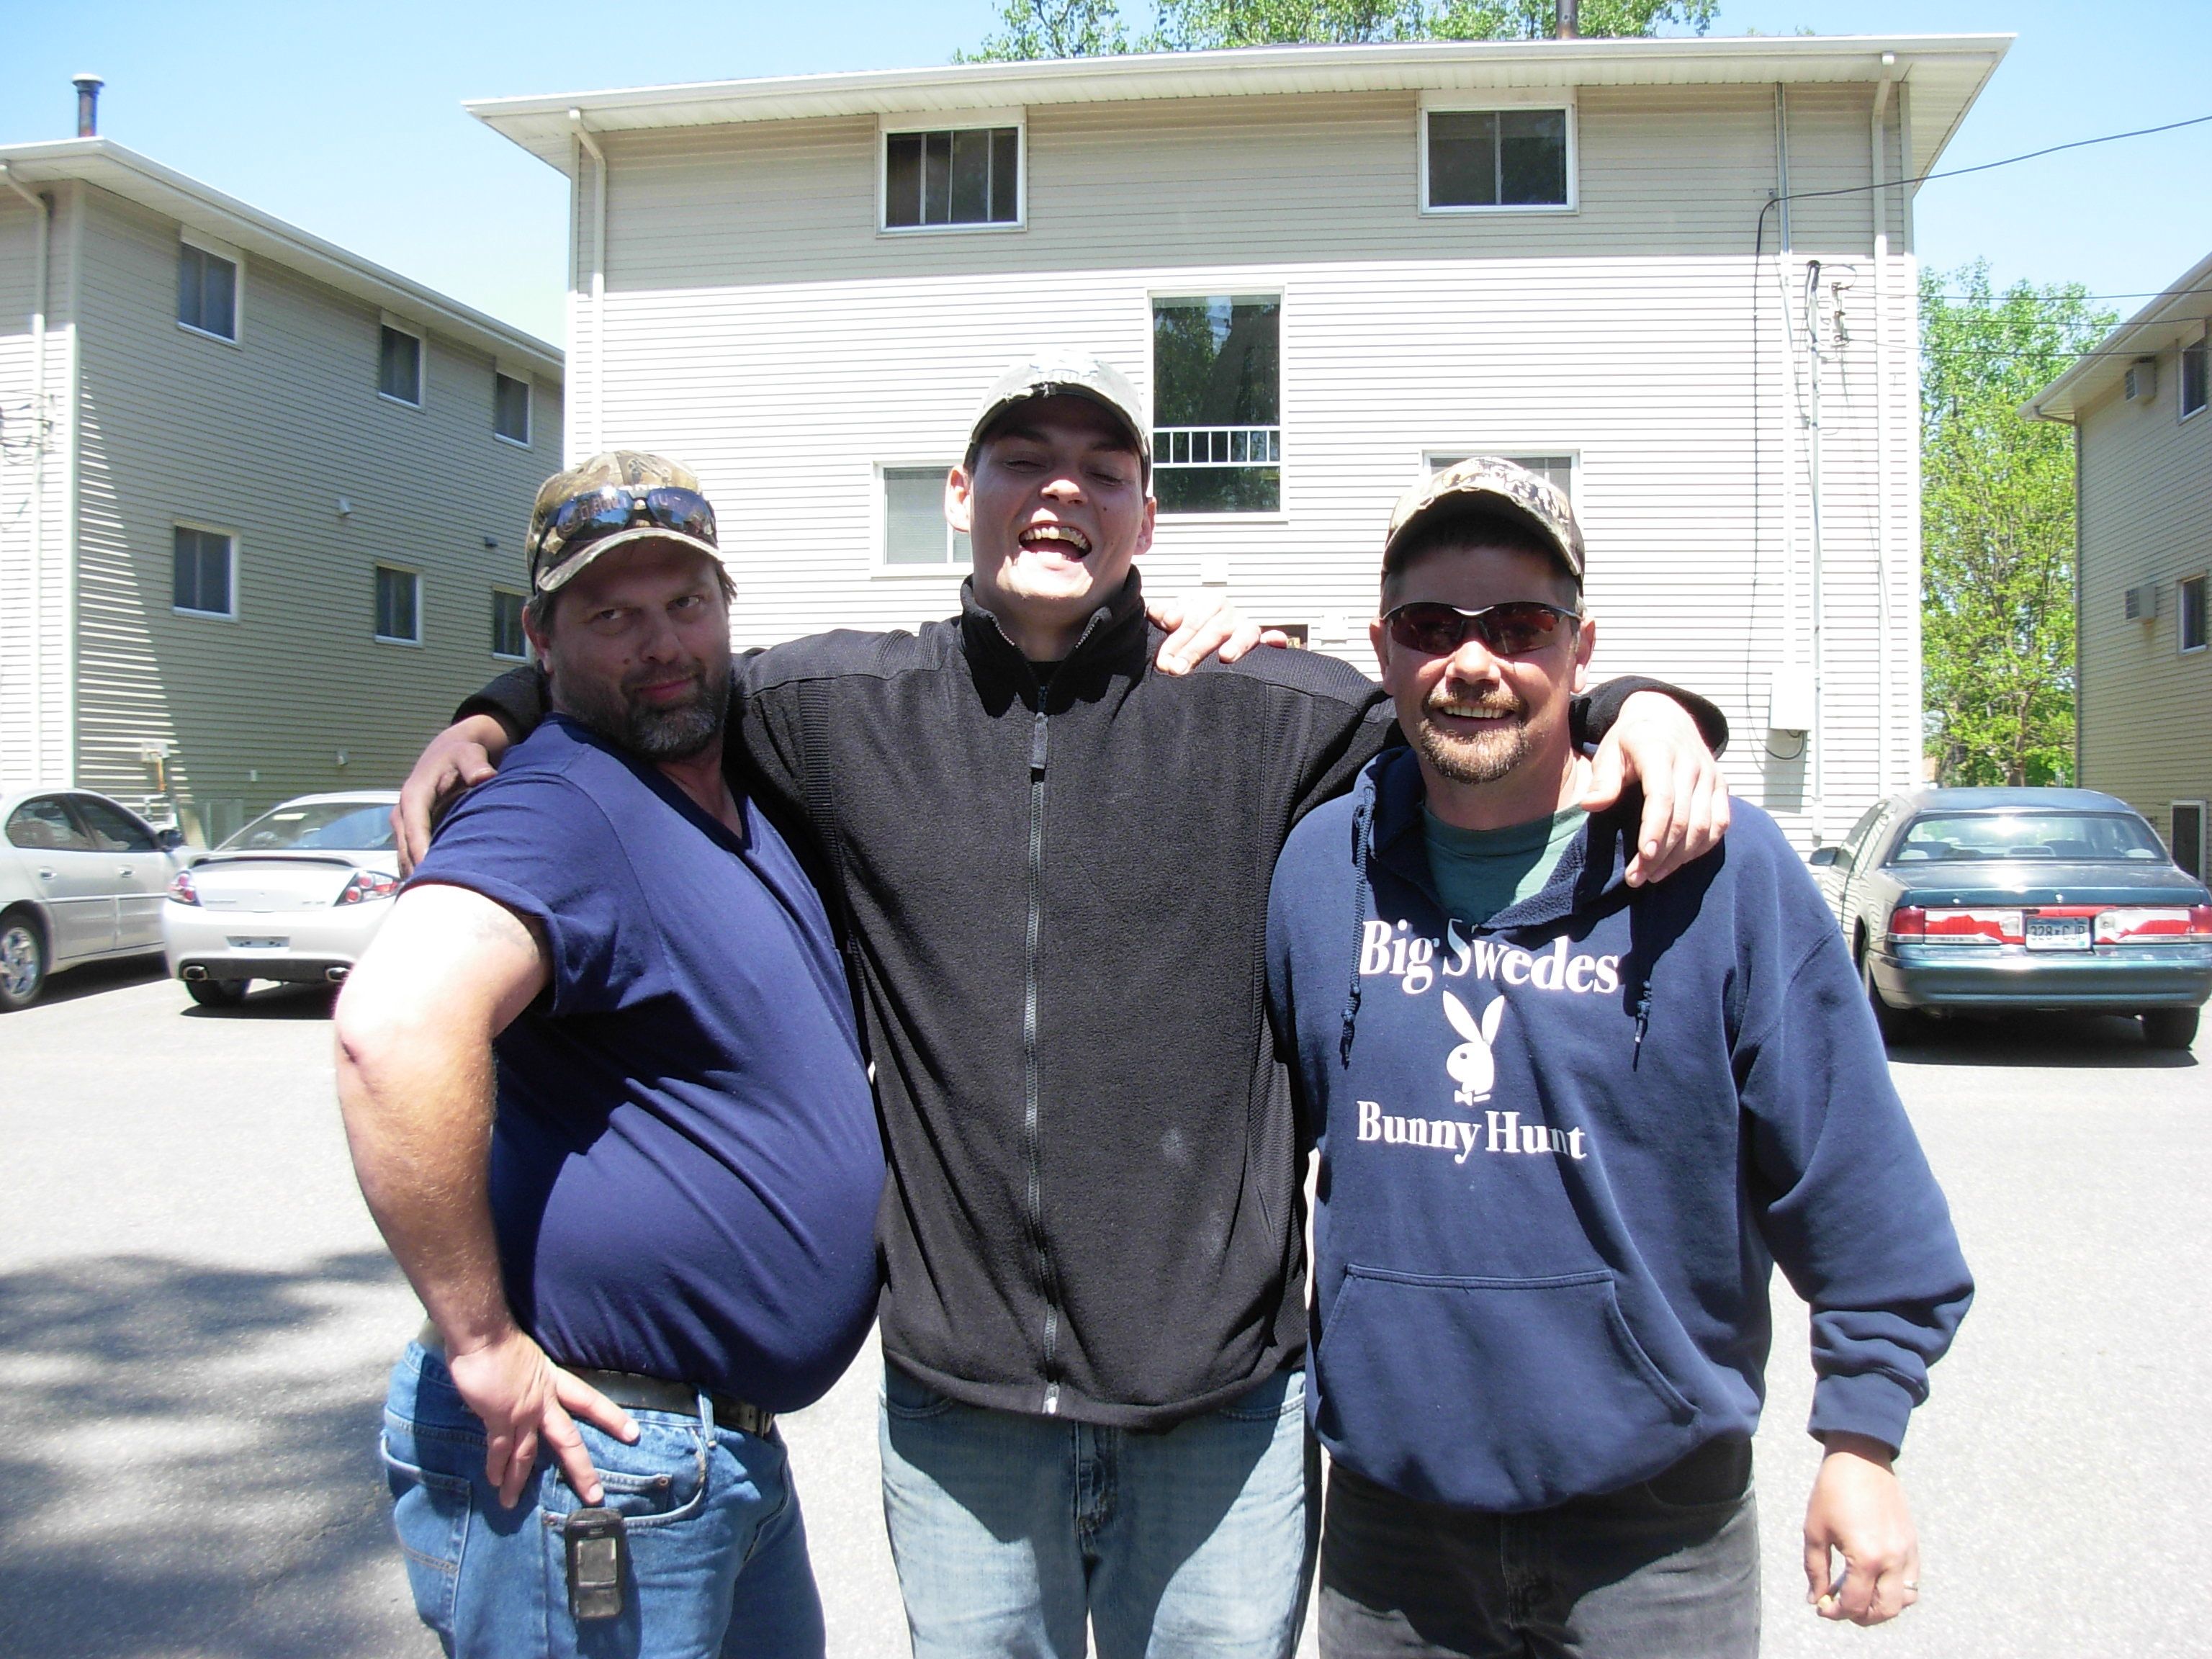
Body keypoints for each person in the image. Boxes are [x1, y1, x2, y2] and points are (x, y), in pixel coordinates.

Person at [395, 355, 1734, 1659]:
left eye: (1101, 469)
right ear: (958, 496)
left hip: (1220, 1416)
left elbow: (1474, 710)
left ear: (1149, 517)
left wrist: (1644, 706)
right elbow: (652, 676)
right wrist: (498, 714)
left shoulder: (1260, 706)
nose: (1060, 493)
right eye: (1023, 462)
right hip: (962, 1416)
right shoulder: (832, 711)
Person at [1265, 458, 1974, 1659]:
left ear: (1581, 649)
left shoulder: (1721, 874)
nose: (1474, 663)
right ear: (1384, 652)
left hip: (1656, 1542)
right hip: (1393, 1540)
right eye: (1432, 626)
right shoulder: (1318, 870)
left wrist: (1863, 1442)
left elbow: (1853, 1176)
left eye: (1520, 626)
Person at [335, 453, 884, 1658]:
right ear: (543, 635)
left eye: (684, 603)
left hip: (714, 1462)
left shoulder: (728, 782)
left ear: (727, 609)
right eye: (611, 615)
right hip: (602, 1461)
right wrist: (480, 1343)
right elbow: (392, 1030)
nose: (660, 643)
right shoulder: (558, 805)